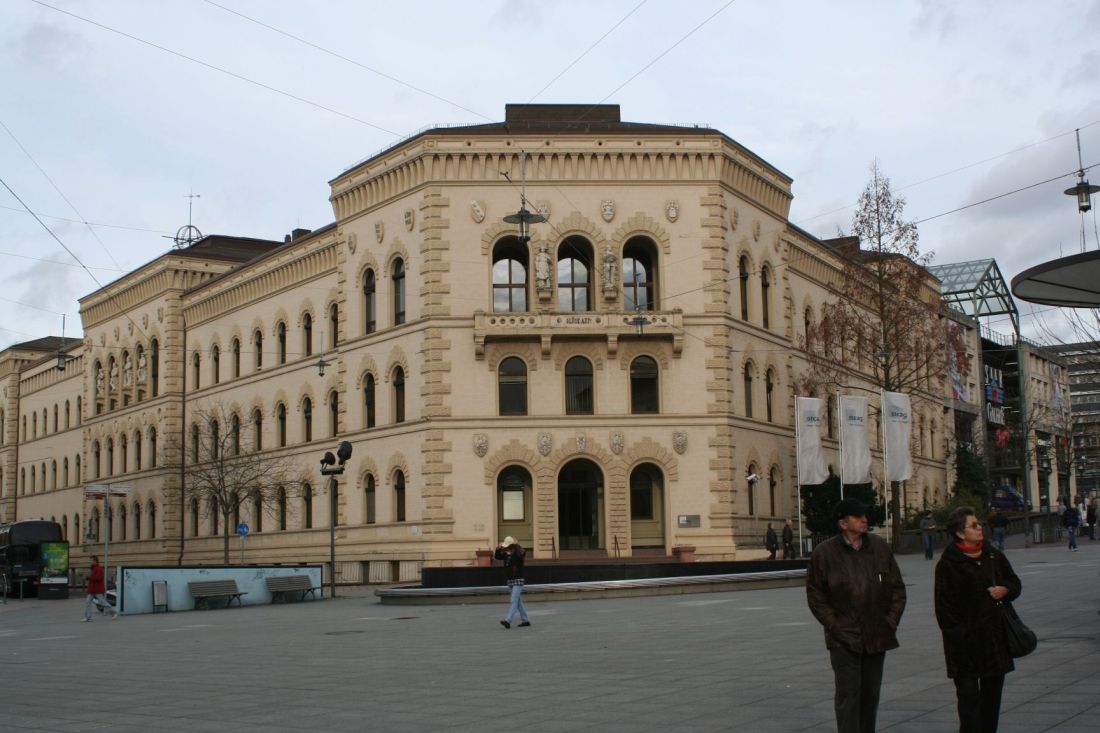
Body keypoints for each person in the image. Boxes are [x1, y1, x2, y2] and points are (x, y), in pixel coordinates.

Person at [807, 499, 906, 733]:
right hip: (844, 638)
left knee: (870, 696)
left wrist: (889, 622)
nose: (864, 519)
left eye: (865, 515)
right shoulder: (825, 554)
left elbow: (897, 590)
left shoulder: (880, 548)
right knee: (848, 697)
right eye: (857, 516)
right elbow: (816, 596)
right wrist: (835, 625)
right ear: (843, 523)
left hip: (877, 635)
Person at [935, 506, 1022, 733]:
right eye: (974, 525)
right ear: (960, 533)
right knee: (969, 705)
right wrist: (961, 636)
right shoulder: (948, 564)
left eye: (979, 524)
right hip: (965, 648)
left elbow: (1014, 582)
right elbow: (944, 610)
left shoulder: (992, 555)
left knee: (991, 704)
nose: (980, 528)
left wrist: (1005, 589)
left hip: (994, 643)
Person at [495, 536, 530, 629]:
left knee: (514, 600)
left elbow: (521, 555)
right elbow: (497, 556)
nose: (505, 547)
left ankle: (508, 620)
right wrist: (498, 549)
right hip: (510, 580)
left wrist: (516, 546)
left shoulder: (518, 552)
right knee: (518, 602)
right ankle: (525, 620)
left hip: (518, 580)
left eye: (507, 546)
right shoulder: (506, 554)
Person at [82, 555, 117, 621]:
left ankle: (114, 612)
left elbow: (98, 578)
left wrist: (88, 577)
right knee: (88, 602)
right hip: (93, 589)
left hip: (97, 589)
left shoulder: (98, 568)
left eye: (91, 560)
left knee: (102, 602)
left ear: (94, 561)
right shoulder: (94, 568)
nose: (90, 562)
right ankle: (88, 617)